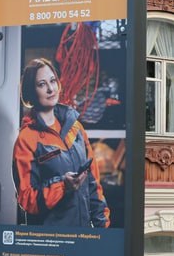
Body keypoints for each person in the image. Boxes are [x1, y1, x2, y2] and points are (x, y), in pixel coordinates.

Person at [12, 58, 110, 227]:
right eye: (42, 84)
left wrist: (103, 227)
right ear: (31, 92)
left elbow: (93, 182)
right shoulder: (26, 139)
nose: (50, 89)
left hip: (84, 235)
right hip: (52, 238)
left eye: (52, 81)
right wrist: (62, 185)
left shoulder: (76, 128)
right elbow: (27, 199)